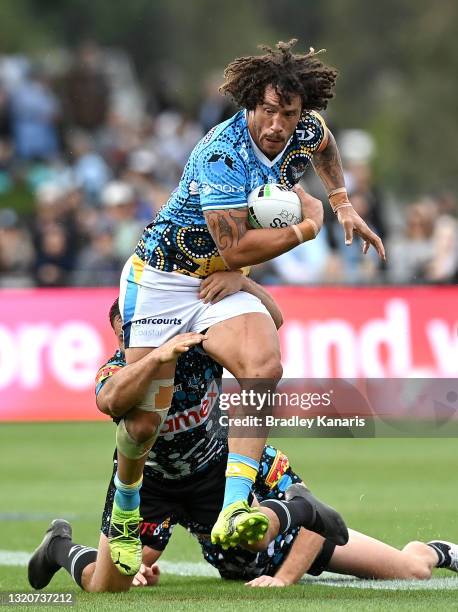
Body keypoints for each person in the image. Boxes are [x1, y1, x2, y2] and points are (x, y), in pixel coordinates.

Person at [112, 39, 386, 575]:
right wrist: (307, 227)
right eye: (268, 111)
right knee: (143, 421)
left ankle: (235, 503)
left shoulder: (305, 129)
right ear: (249, 105)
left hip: (218, 279)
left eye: (289, 113)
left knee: (264, 365)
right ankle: (125, 509)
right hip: (164, 278)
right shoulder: (222, 154)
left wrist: (342, 204)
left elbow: (325, 147)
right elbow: (234, 246)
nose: (279, 125)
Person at [28, 284, 347, 592]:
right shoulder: (117, 371)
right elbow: (107, 401)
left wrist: (243, 282)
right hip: (147, 479)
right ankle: (58, 545)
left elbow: (271, 322)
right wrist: (155, 358)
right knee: (106, 585)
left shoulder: (199, 346)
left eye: (134, 330)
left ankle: (301, 507)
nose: (128, 341)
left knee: (255, 538)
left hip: (210, 467)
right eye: (122, 334)